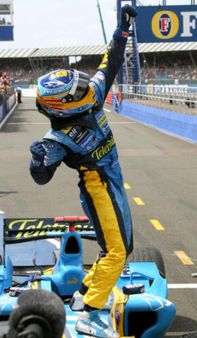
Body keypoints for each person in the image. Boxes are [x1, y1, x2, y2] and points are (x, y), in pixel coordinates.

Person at [29, 4, 137, 338]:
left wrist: (121, 33)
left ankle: (81, 295)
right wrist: (37, 162)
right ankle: (91, 313)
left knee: (121, 246)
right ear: (61, 106)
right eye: (77, 90)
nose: (87, 87)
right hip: (97, 186)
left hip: (112, 177)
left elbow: (111, 63)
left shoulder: (92, 93)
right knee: (118, 253)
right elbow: (41, 176)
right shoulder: (57, 138)